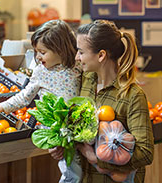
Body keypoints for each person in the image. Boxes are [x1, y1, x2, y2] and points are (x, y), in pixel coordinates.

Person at [49, 19, 154, 183]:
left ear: (101, 55)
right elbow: (79, 128)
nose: (77, 57)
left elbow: (145, 153)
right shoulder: (85, 80)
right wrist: (64, 145)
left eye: (81, 52)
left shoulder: (132, 95)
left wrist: (97, 158)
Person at [0, 19, 82, 182]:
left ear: (60, 49)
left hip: (77, 127)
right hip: (55, 128)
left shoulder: (76, 67)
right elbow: (25, 96)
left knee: (79, 168)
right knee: (71, 172)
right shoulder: (40, 72)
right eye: (36, 51)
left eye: (42, 52)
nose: (37, 57)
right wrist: (3, 106)